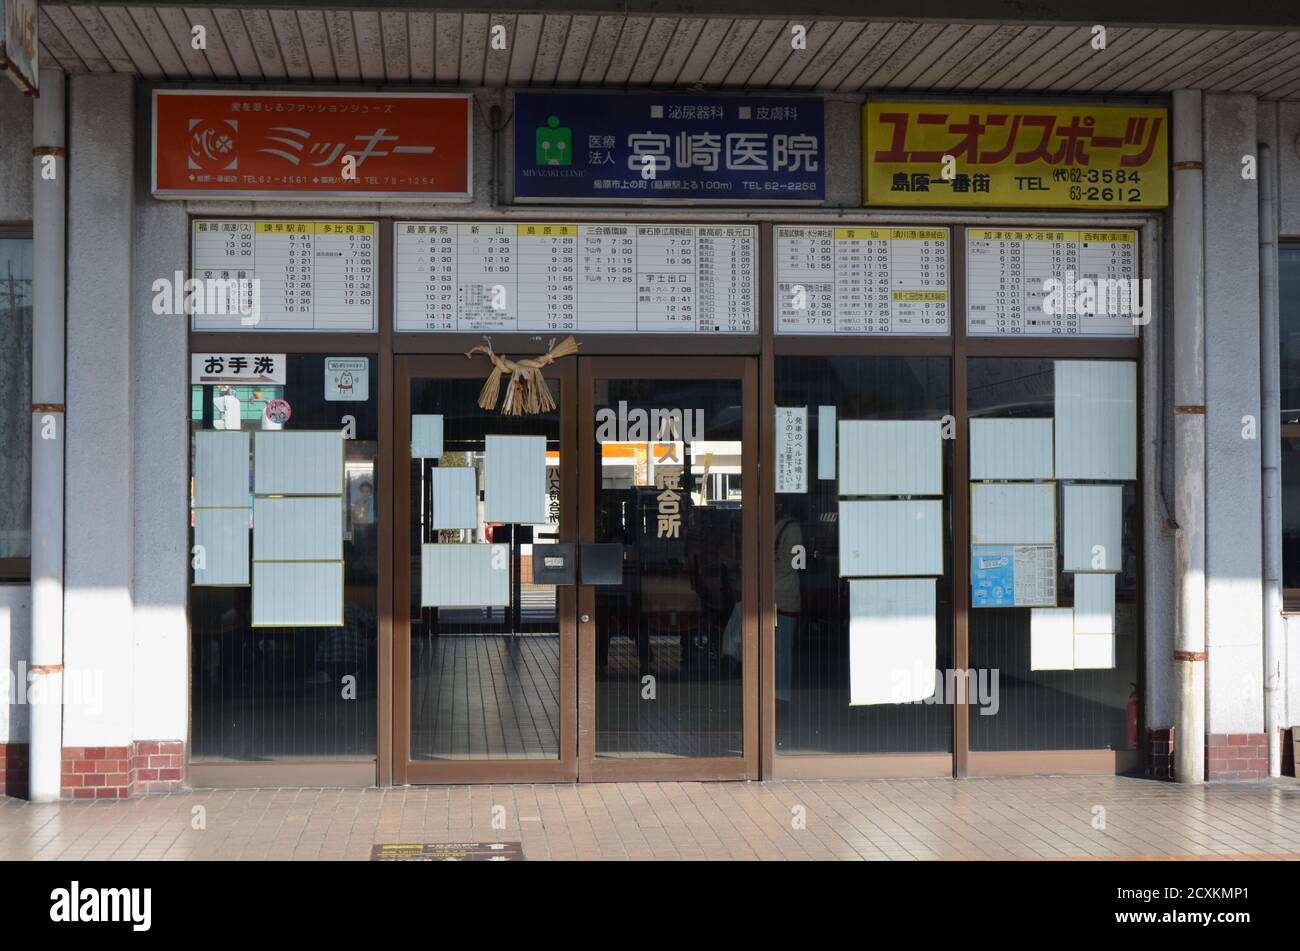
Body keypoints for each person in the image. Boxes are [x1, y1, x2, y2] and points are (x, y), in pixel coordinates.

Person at [774, 500, 803, 706]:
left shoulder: (790, 529)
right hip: (781, 595)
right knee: (780, 650)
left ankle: (781, 694)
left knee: (782, 650)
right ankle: (778, 693)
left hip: (783, 596)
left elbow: (792, 564)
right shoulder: (785, 527)